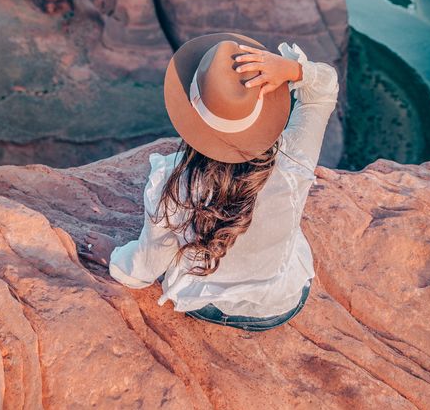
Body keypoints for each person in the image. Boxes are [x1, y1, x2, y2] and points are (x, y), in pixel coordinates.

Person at [81, 31, 339, 332]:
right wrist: (292, 70)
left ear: (193, 114)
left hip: (210, 307)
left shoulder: (176, 184)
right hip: (283, 301)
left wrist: (115, 256)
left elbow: (148, 265)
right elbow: (323, 91)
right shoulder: (295, 157)